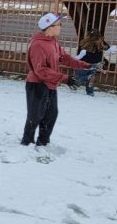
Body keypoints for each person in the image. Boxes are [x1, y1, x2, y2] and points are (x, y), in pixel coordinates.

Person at [21, 13, 95, 146]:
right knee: (35, 116)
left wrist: (87, 65)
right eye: (58, 24)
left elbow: (64, 58)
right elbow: (41, 70)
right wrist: (64, 78)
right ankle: (27, 142)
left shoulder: (53, 41)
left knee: (51, 115)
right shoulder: (38, 45)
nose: (61, 26)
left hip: (50, 84)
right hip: (37, 84)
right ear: (50, 27)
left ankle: (43, 142)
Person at [74, 29, 116, 97]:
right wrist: (111, 48)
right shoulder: (100, 43)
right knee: (91, 79)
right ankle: (90, 92)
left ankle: (86, 79)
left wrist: (75, 59)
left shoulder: (85, 43)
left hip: (84, 63)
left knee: (79, 77)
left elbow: (81, 54)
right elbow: (111, 49)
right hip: (96, 63)